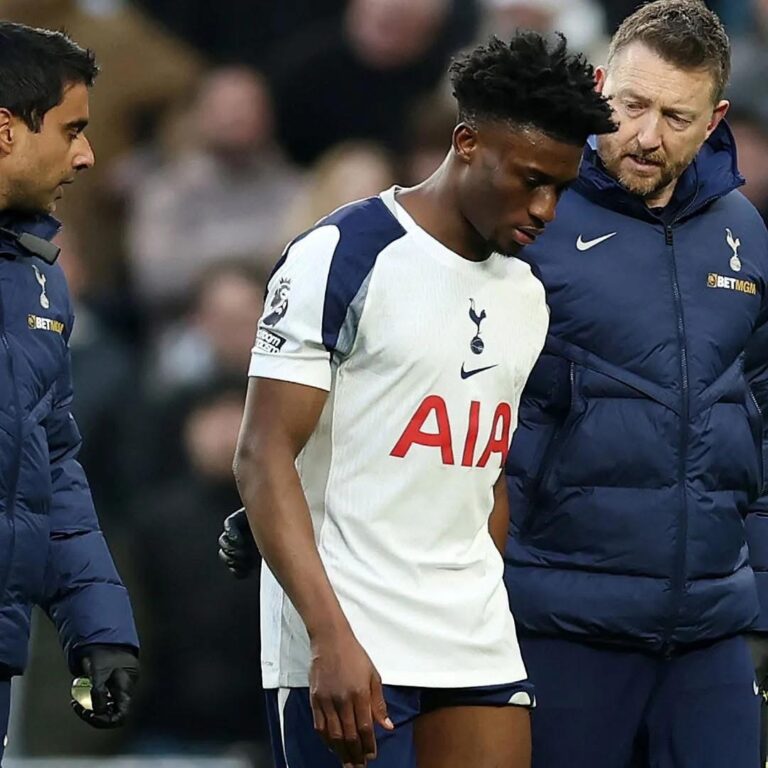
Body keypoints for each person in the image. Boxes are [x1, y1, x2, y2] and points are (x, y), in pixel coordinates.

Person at [225, 32, 615, 768]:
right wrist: (327, 636)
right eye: (531, 178)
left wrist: (485, 593)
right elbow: (261, 451)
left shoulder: (527, 293)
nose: (547, 208)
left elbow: (484, 473)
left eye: (561, 187)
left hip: (471, 630)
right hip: (348, 627)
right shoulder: (343, 251)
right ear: (466, 142)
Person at [500, 3, 768, 767]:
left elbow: (763, 413)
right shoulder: (529, 211)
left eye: (677, 117)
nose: (648, 136)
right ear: (598, 86)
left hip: (711, 633)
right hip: (560, 620)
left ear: (716, 116)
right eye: (632, 106)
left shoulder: (744, 231)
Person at [0, 22, 139, 759]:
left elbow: (49, 466)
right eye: (72, 129)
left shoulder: (38, 276)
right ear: (5, 129)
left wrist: (98, 625)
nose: (86, 154)